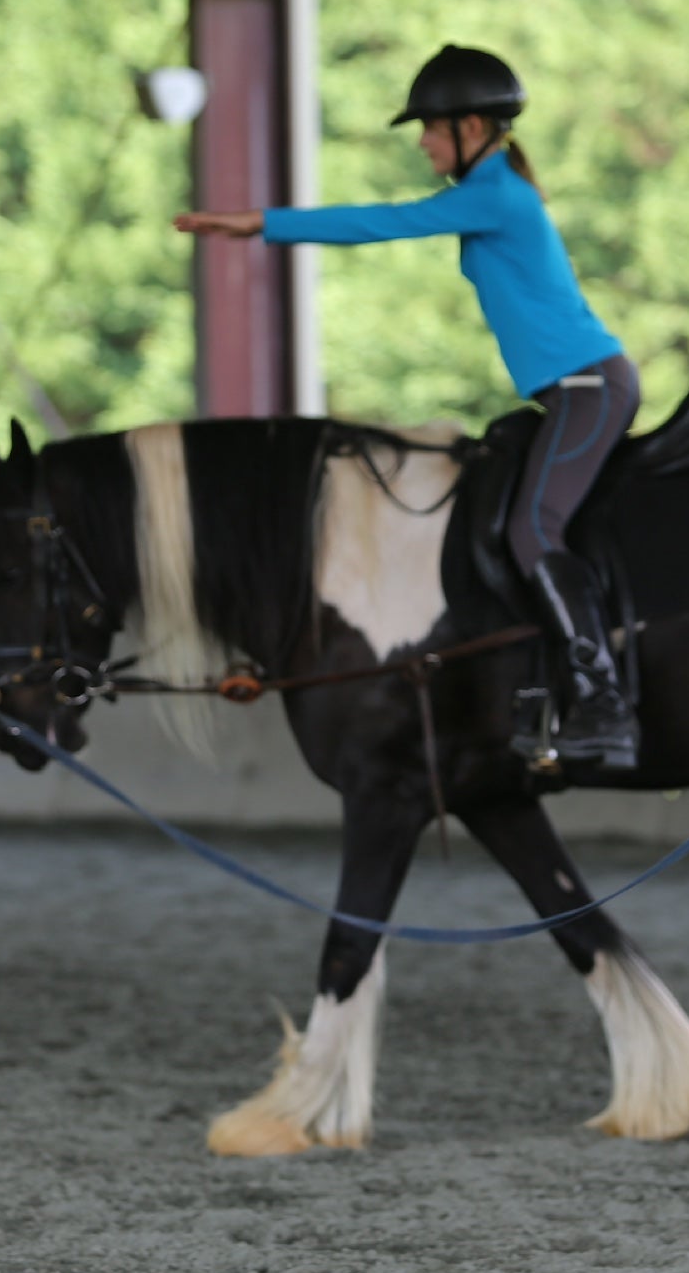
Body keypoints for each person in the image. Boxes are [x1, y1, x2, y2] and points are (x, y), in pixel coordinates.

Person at [174, 44, 640, 769]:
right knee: (503, 526)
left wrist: (260, 225)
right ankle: (542, 685)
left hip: (588, 387)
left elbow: (381, 222)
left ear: (475, 128)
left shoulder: (498, 193)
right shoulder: (495, 187)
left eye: (431, 127)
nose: (421, 140)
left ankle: (603, 700)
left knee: (533, 529)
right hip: (564, 391)